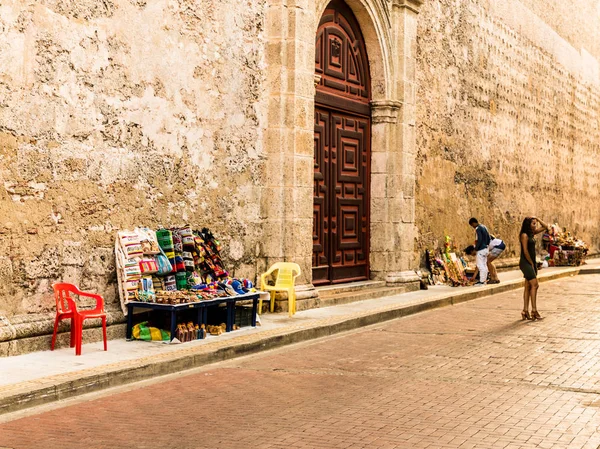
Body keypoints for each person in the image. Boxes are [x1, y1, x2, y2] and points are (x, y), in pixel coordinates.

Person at [519, 216, 549, 320]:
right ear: (528, 224)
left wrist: (537, 218)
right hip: (526, 262)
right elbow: (525, 251)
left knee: (528, 286)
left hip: (531, 262)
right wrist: (531, 263)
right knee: (535, 285)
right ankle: (534, 311)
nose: (535, 225)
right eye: (533, 223)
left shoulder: (532, 233)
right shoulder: (524, 235)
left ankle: (525, 310)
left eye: (535, 223)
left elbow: (546, 227)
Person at [468, 217, 491, 285]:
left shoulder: (478, 228)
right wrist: (486, 245)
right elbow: (489, 238)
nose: (473, 227)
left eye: (472, 225)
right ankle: (484, 279)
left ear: (473, 223)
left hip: (481, 249)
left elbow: (479, 239)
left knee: (480, 265)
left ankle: (481, 281)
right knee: (484, 265)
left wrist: (476, 249)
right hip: (486, 248)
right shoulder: (484, 227)